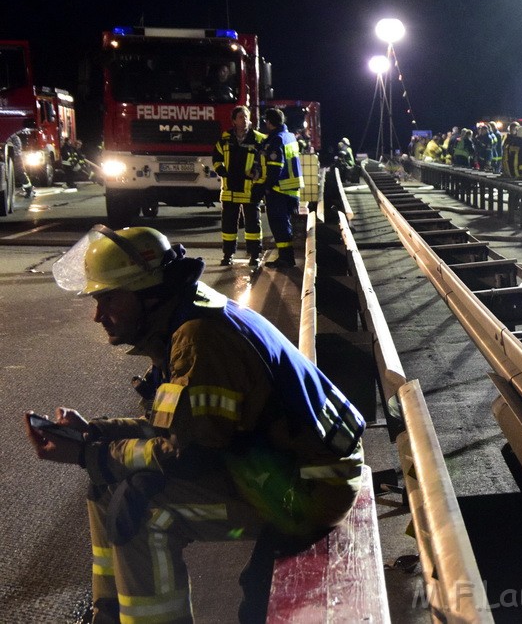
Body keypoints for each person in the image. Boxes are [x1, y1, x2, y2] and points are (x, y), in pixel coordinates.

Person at [28, 225, 365, 624]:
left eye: (108, 299)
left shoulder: (198, 338)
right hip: (284, 467)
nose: (98, 315)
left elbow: (191, 452)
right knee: (106, 486)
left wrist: (89, 453)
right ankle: (110, 615)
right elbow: (183, 426)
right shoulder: (187, 316)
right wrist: (98, 433)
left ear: (148, 293)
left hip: (310, 489)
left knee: (146, 510)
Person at [213, 106, 266, 267]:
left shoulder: (258, 139)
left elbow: (263, 162)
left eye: (246, 117)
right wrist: (220, 169)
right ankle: (228, 255)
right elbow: (216, 156)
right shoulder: (225, 138)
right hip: (229, 190)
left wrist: (257, 175)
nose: (244, 120)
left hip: (250, 189)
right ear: (234, 120)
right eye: (241, 117)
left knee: (253, 225)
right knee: (228, 225)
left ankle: (255, 255)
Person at [259, 107, 304, 269]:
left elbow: (275, 167)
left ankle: (286, 258)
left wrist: (267, 187)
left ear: (269, 122)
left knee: (279, 225)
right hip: (293, 188)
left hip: (280, 189)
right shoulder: (289, 136)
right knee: (285, 224)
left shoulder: (276, 139)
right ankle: (286, 257)